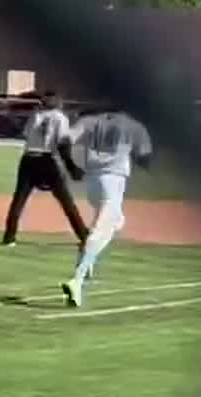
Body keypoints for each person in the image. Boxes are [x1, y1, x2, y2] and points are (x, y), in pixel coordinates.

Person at [61, 106, 154, 309]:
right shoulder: (134, 125)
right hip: (113, 181)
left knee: (116, 222)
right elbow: (145, 158)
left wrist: (71, 166)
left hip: (93, 181)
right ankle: (77, 279)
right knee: (103, 231)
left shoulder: (90, 121)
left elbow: (64, 141)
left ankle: (87, 256)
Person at [1, 92, 88, 247]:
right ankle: (84, 236)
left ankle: (9, 237)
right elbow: (62, 144)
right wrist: (71, 167)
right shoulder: (59, 117)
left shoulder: (36, 115)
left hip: (29, 159)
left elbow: (26, 134)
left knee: (19, 200)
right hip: (47, 160)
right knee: (66, 201)